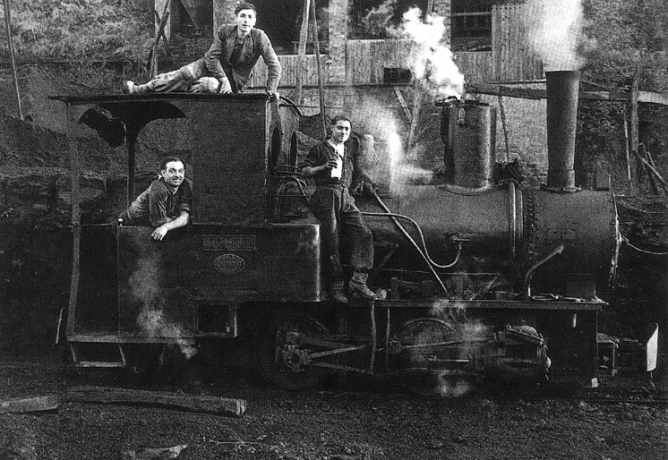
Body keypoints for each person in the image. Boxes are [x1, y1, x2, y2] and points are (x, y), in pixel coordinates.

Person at [123, 3, 281, 97]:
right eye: (242, 16)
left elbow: (274, 65)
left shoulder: (259, 37)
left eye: (250, 17)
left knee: (209, 85)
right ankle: (143, 88)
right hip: (208, 66)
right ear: (236, 18)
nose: (246, 20)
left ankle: (179, 94)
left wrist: (271, 90)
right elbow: (212, 57)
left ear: (254, 21)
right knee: (185, 73)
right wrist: (223, 78)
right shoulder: (225, 31)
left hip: (234, 81)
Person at [301, 116, 378, 303]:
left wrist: (365, 183)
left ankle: (359, 280)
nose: (343, 132)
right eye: (340, 128)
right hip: (326, 194)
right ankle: (335, 286)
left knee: (363, 232)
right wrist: (322, 167)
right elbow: (304, 171)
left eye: (346, 130)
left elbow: (357, 168)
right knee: (332, 240)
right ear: (331, 129)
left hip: (345, 196)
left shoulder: (348, 150)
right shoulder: (320, 148)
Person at [118, 156, 193, 241]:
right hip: (129, 225)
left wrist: (168, 226)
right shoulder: (158, 189)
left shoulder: (185, 185)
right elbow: (159, 222)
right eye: (172, 171)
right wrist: (174, 223)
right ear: (163, 173)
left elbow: (185, 216)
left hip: (152, 227)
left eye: (180, 171)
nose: (177, 175)